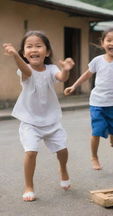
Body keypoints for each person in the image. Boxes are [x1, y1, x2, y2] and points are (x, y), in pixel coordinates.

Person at [2, 31, 75, 202]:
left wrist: (65, 69)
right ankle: (29, 186)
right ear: (24, 53)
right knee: (31, 152)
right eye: (29, 46)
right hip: (30, 121)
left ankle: (63, 169)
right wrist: (14, 55)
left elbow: (61, 78)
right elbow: (25, 69)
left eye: (38, 46)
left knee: (63, 150)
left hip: (51, 120)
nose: (33, 49)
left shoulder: (51, 69)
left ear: (47, 51)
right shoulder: (24, 71)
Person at [64, 27, 113, 170]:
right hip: (98, 102)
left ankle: (111, 133)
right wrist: (74, 86)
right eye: (108, 40)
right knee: (97, 130)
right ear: (102, 43)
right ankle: (94, 157)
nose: (112, 43)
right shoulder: (97, 60)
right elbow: (87, 74)